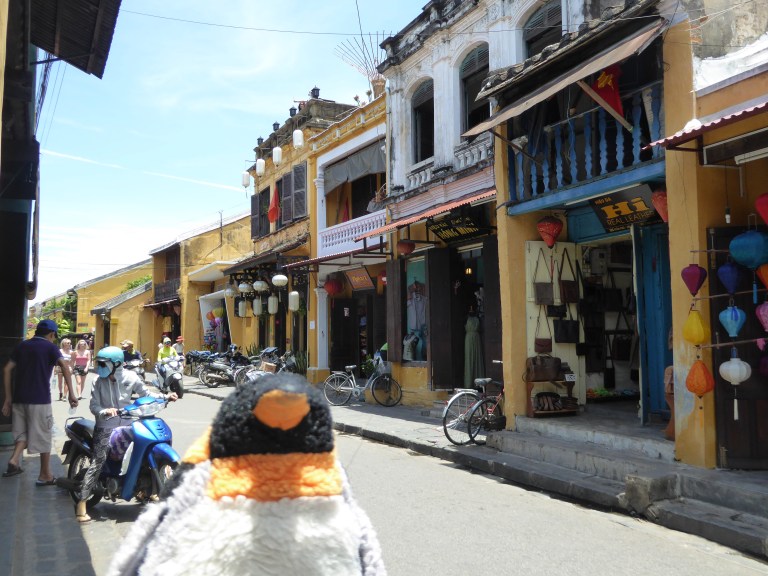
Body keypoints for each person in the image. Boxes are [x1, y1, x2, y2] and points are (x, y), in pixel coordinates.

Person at [75, 346, 177, 523]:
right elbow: (94, 406)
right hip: (106, 427)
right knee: (98, 462)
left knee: (145, 450)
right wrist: (105, 411)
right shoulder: (97, 381)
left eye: (102, 363)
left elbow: (146, 394)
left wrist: (165, 396)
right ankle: (81, 504)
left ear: (116, 364)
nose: (99, 366)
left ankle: (147, 490)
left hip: (130, 425)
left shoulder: (131, 377)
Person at [1, 320, 78, 483]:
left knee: (22, 433)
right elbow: (64, 366)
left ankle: (14, 460)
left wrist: (8, 398)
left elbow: (7, 369)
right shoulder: (51, 348)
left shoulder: (22, 346)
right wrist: (72, 393)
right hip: (39, 400)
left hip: (19, 399)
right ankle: (45, 475)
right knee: (44, 436)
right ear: (51, 334)